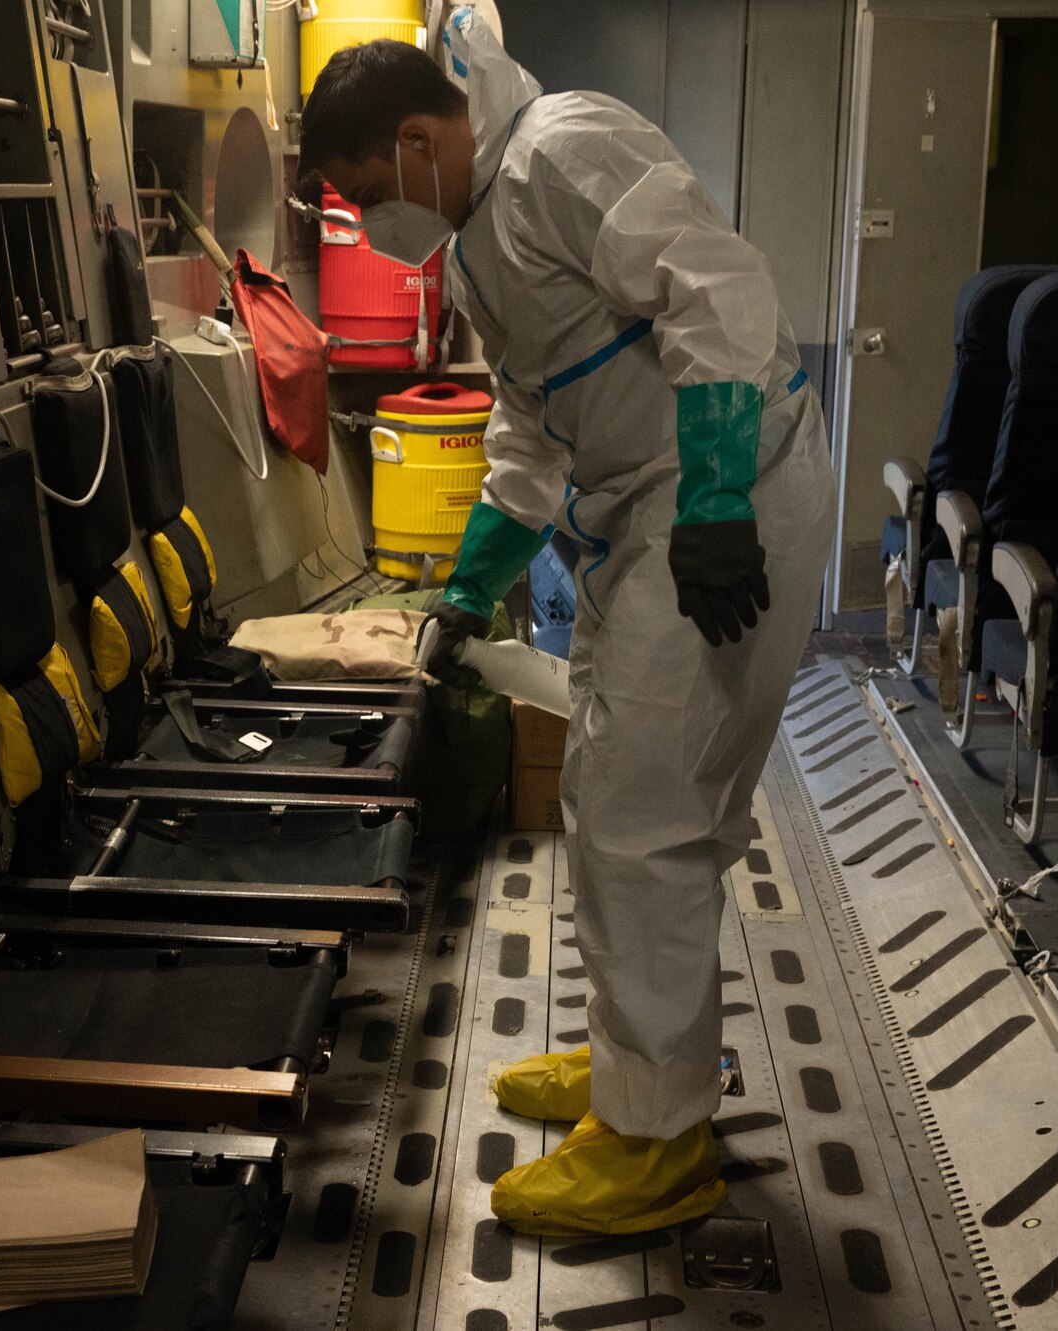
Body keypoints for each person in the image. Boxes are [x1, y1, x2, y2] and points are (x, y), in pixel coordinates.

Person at [302, 10, 836, 1235]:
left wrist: (709, 497)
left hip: (721, 510)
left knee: (648, 816)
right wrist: (469, 581)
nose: (374, 220)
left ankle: (658, 1146)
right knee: (609, 799)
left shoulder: (559, 149)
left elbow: (717, 287)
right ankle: (632, 1073)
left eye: (368, 188)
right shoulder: (480, 230)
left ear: (415, 137)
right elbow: (531, 427)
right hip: (639, 526)